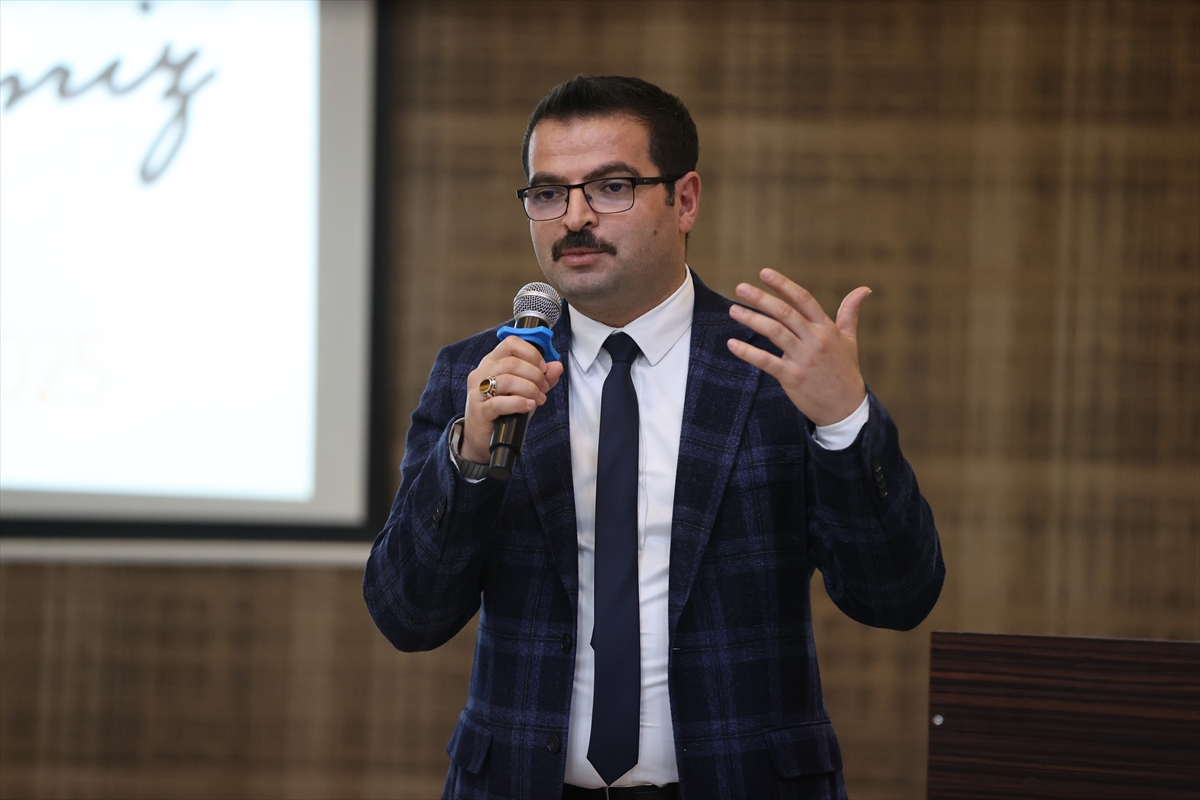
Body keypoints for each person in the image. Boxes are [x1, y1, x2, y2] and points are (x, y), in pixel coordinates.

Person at [364, 75, 944, 800]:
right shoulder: (478, 378)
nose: (575, 217)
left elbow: (896, 596)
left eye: (611, 188)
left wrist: (844, 421)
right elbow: (407, 615)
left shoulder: (777, 371)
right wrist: (470, 458)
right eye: (548, 194)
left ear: (685, 200)